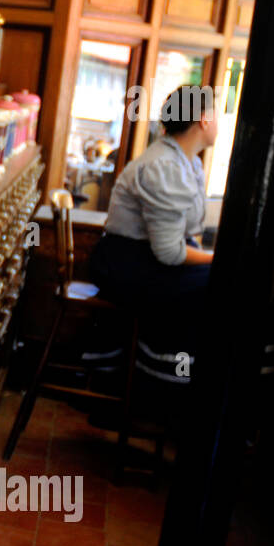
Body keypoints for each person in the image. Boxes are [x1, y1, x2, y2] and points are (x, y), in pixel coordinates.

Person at [88, 84, 216, 385]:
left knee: (217, 279)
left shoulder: (188, 163)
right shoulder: (165, 165)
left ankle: (172, 380)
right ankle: (163, 385)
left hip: (141, 259)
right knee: (218, 283)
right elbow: (170, 253)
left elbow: (188, 231)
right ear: (203, 119)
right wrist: (215, 258)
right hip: (124, 264)